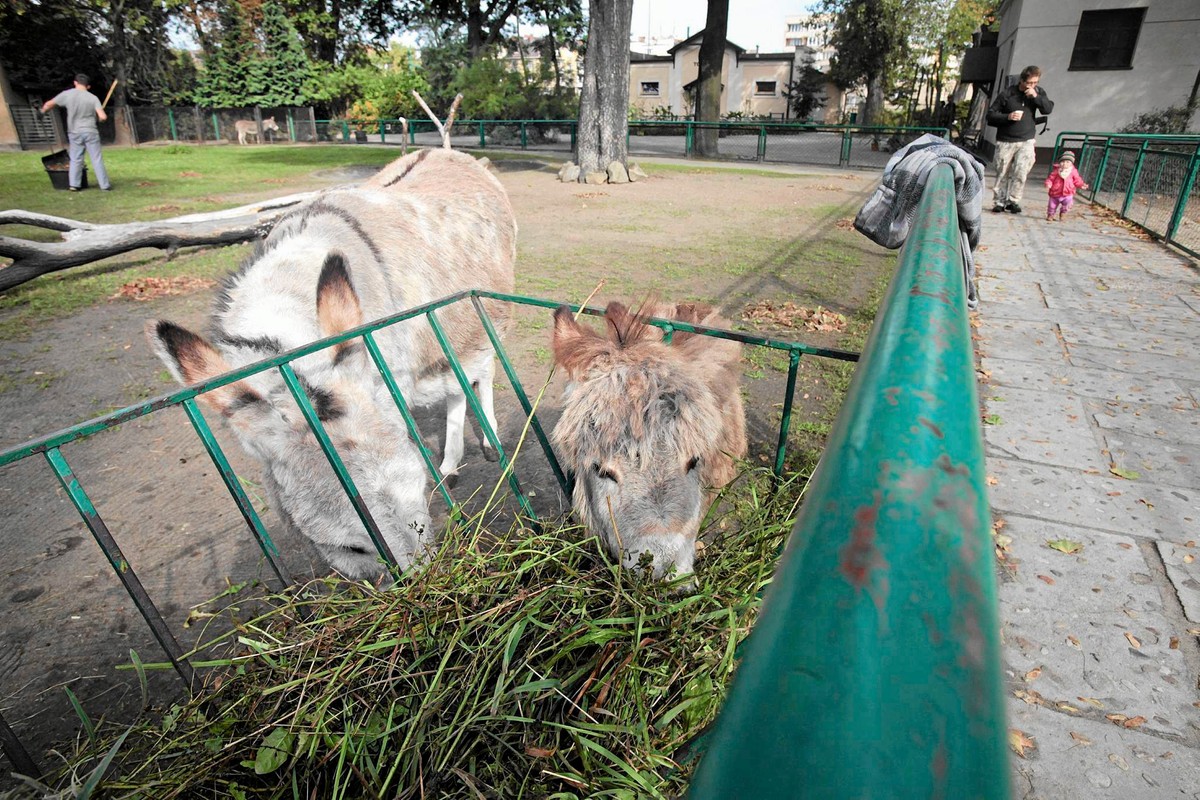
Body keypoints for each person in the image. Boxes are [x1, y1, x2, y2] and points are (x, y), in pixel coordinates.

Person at [986, 65, 1053, 214]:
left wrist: (1036, 97)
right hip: (1006, 140)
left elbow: (1047, 109)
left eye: (1035, 83)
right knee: (1002, 171)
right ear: (1022, 80)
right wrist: (1007, 117)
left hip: (1026, 139)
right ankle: (999, 201)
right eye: (1029, 83)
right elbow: (990, 115)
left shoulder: (1039, 93)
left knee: (1021, 172)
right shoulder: (1007, 94)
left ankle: (1014, 201)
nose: (1032, 86)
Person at [40, 73, 112, 192]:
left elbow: (49, 104)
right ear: (88, 86)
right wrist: (100, 119)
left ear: (75, 83)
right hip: (91, 131)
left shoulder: (67, 94)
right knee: (96, 158)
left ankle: (74, 185)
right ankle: (104, 185)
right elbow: (103, 117)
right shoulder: (93, 98)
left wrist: (42, 112)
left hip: (74, 132)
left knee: (75, 158)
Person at [1044, 150, 1088, 221]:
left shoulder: (1073, 171)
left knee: (1067, 205)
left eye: (1067, 162)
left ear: (1071, 163)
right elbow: (1050, 178)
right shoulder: (1056, 171)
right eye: (1062, 162)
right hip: (1055, 192)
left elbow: (1077, 180)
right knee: (1052, 206)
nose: (1064, 164)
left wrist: (1081, 185)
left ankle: (1063, 213)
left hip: (1068, 193)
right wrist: (1048, 184)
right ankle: (1050, 215)